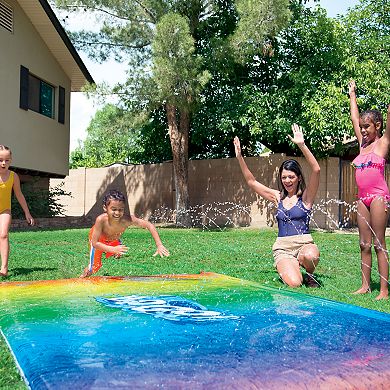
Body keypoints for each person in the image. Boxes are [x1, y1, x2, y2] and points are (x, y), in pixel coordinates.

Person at [233, 124, 321, 287]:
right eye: (284, 177)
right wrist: (239, 157)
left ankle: (309, 275)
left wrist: (301, 145)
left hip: (304, 245)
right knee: (294, 283)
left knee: (311, 255)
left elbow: (316, 169)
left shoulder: (306, 198)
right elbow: (252, 182)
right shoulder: (277, 197)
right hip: (283, 248)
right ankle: (290, 266)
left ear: (299, 178)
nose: (287, 181)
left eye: (291, 177)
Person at [348, 80, 390, 300]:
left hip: (378, 197)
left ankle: (383, 290)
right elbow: (354, 118)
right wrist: (352, 95)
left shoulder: (383, 143)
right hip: (362, 198)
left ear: (378, 126)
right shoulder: (362, 144)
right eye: (362, 127)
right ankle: (365, 286)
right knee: (363, 244)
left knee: (378, 243)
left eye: (368, 127)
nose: (363, 130)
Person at [80, 189, 170, 277]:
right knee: (95, 267)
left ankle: (115, 249)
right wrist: (112, 249)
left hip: (113, 239)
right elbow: (95, 243)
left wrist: (159, 245)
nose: (117, 213)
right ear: (105, 208)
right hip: (98, 240)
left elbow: (149, 225)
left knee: (118, 254)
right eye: (113, 209)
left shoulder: (128, 220)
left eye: (121, 209)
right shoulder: (101, 220)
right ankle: (81, 279)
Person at [0, 145, 35, 277]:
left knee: (3, 235)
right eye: (0, 160)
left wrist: (27, 212)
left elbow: (19, 195)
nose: (4, 163)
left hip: (4, 210)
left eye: (7, 160)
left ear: (11, 160)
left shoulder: (13, 176)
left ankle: (4, 268)